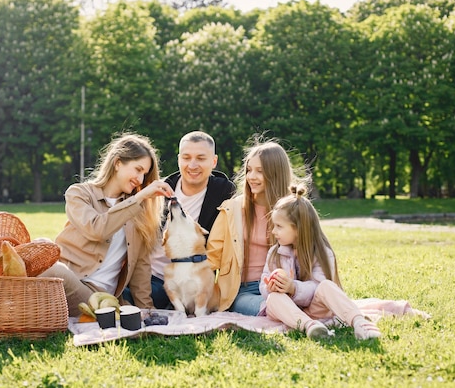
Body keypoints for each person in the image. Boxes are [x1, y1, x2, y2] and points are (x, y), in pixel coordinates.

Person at [40, 133, 174, 317]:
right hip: (69, 280)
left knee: (52, 270)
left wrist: (148, 310)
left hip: (100, 298)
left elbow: (141, 268)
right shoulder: (79, 193)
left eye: (144, 174)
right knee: (47, 261)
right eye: (138, 169)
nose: (141, 180)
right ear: (118, 163)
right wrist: (139, 198)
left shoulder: (137, 211)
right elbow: (97, 229)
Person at [124, 131, 236, 308]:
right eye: (186, 157)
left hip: (186, 282)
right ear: (179, 160)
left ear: (213, 161)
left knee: (128, 299)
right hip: (148, 273)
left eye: (200, 158)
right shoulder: (160, 190)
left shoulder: (224, 194)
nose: (192, 165)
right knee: (115, 292)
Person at [260, 184, 382, 340]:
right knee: (273, 299)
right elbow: (264, 283)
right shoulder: (274, 253)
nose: (273, 231)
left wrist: (293, 288)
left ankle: (359, 322)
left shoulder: (322, 253)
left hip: (316, 309)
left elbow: (319, 286)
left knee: (327, 286)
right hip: (289, 311)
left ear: (298, 228)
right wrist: (270, 287)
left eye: (279, 226)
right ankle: (310, 326)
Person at [206, 139, 304, 315]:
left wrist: (297, 288)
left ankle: (293, 312)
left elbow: (314, 254)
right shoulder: (231, 209)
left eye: (260, 171)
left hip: (285, 285)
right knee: (267, 305)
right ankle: (298, 317)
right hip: (244, 291)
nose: (251, 176)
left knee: (291, 301)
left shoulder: (294, 210)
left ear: (276, 173)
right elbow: (212, 258)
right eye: (249, 170)